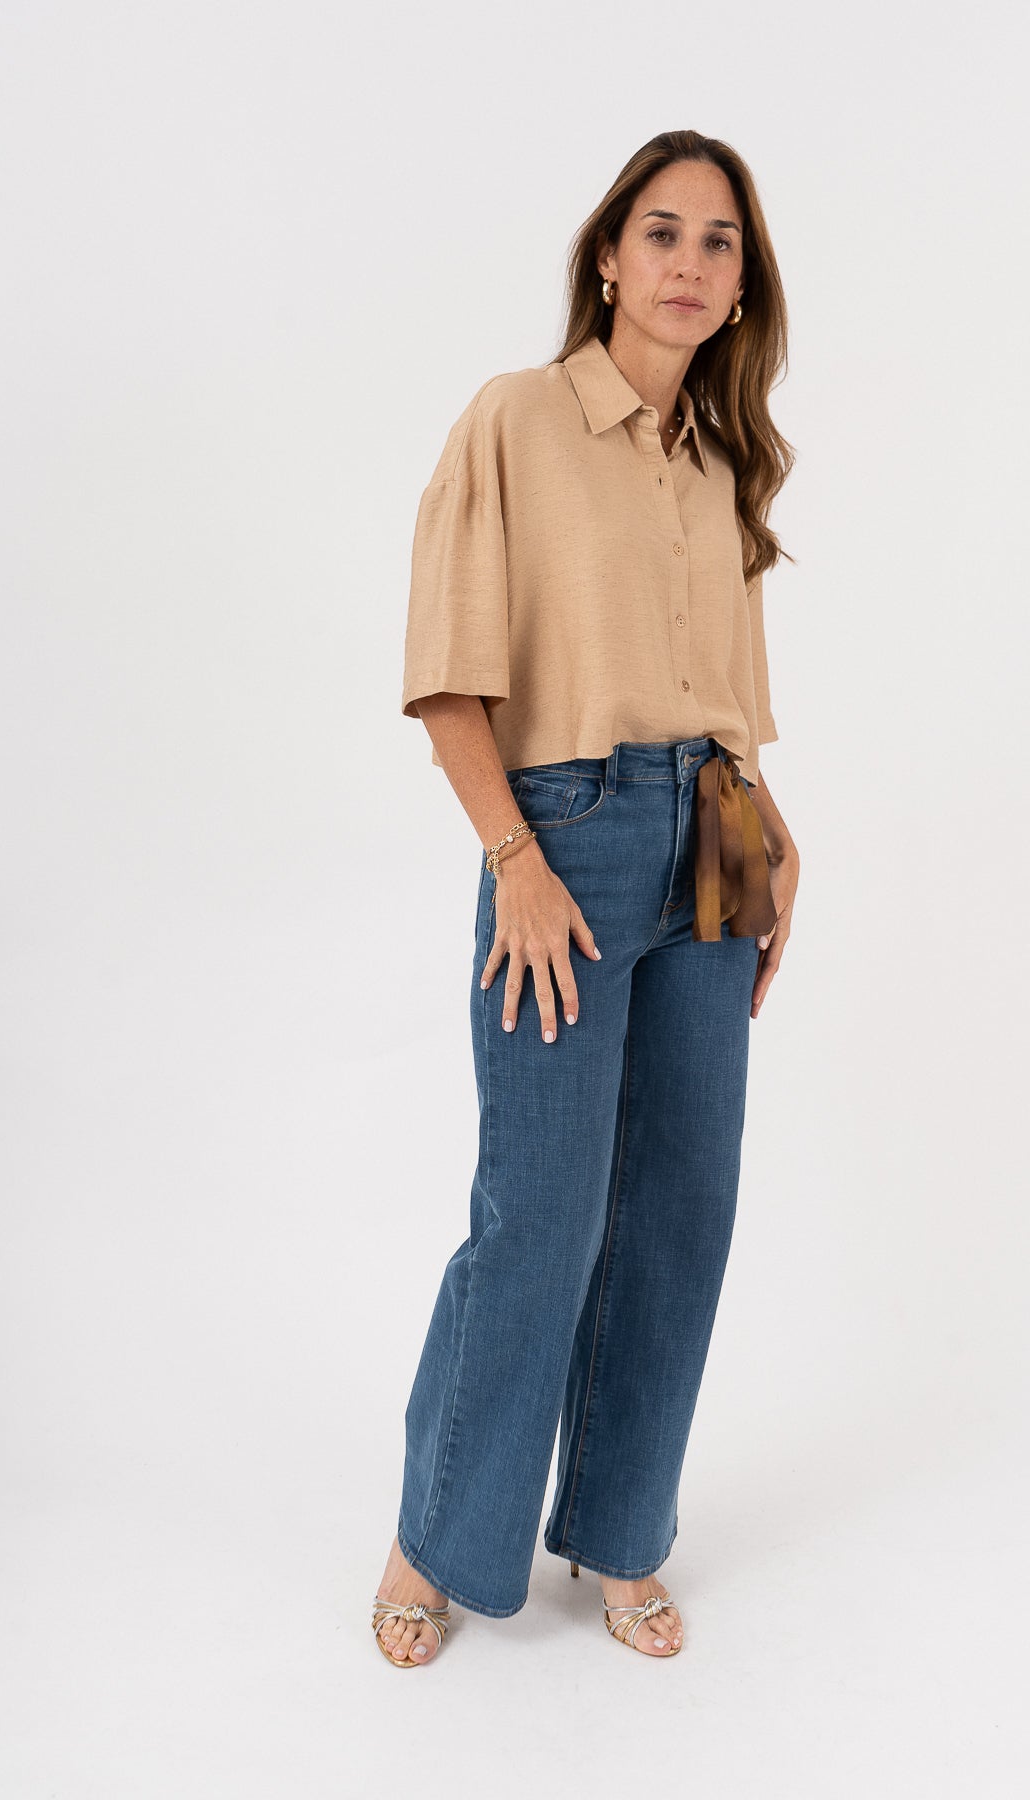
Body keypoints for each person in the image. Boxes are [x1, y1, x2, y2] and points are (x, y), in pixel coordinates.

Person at [371, 128, 801, 1667]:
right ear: (608, 258)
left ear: (742, 288)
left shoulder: (722, 462)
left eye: (720, 243)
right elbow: (448, 679)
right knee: (539, 1212)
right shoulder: (516, 420)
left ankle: (621, 1532)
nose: (690, 263)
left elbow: (725, 706)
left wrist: (773, 839)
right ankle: (439, 1537)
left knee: (684, 1205)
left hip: (717, 837)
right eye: (662, 232)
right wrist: (518, 865)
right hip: (566, 830)